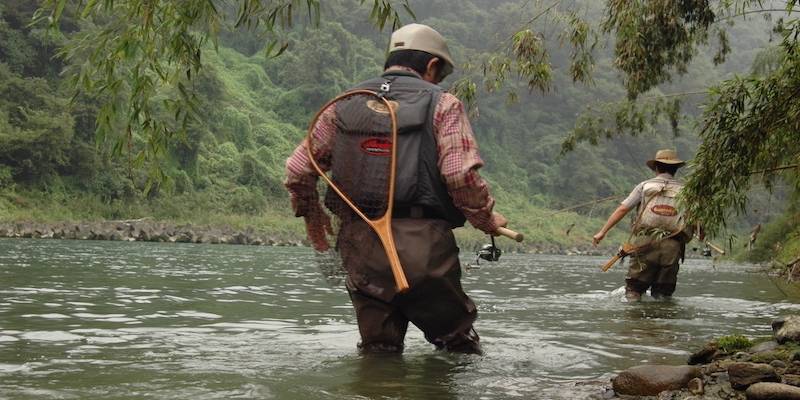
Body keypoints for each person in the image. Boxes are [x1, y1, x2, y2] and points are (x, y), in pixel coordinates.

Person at [284, 23, 507, 354]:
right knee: (458, 348)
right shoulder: (443, 104)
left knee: (378, 351)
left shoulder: (345, 103)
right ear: (432, 66)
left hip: (359, 246)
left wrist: (313, 216)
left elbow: (298, 170)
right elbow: (459, 176)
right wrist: (486, 219)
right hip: (423, 247)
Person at [592, 149, 696, 301]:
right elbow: (696, 217)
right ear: (675, 169)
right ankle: (663, 323)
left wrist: (602, 232)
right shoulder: (687, 190)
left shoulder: (644, 186)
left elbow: (623, 209)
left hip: (645, 243)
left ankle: (636, 321)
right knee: (663, 294)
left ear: (656, 168)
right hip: (673, 247)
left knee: (634, 290)